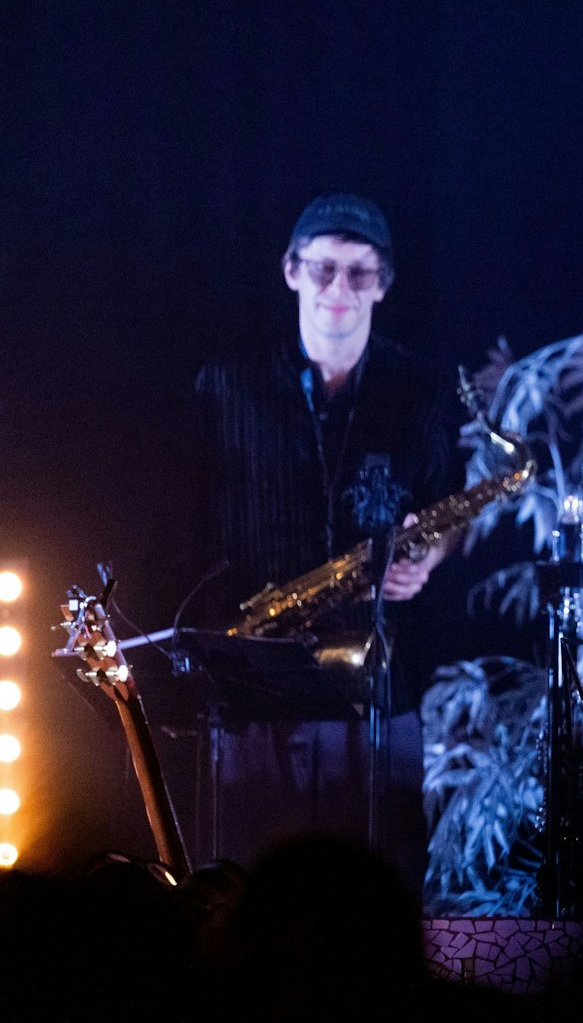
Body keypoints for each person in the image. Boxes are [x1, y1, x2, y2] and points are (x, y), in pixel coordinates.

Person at [192, 193, 462, 877]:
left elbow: (450, 510)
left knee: (381, 896)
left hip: (380, 693)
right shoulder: (226, 386)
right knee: (242, 894)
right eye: (323, 269)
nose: (340, 289)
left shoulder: (424, 389)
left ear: (384, 283)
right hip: (256, 692)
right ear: (290, 271)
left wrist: (430, 555)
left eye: (360, 273)